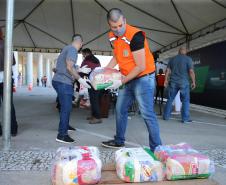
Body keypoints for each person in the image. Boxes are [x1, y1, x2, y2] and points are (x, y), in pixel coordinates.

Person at [101, 8, 162, 152]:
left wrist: (121, 81)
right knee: (120, 109)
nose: (117, 30)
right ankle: (119, 141)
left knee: (147, 113)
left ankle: (157, 149)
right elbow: (117, 56)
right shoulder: (111, 36)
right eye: (114, 27)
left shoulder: (136, 36)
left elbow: (140, 66)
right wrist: (106, 71)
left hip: (143, 78)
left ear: (125, 21)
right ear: (109, 25)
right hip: (128, 77)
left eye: (120, 26)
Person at [52, 34, 91, 143]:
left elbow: (67, 66)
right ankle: (62, 135)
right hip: (64, 82)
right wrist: (80, 79)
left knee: (65, 106)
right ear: (81, 43)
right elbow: (69, 67)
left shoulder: (67, 48)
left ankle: (66, 125)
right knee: (66, 108)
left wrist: (80, 69)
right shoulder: (73, 50)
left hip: (58, 80)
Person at [163, 46, 196, 123]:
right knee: (185, 100)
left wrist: (165, 80)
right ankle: (185, 119)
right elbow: (191, 71)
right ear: (185, 51)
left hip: (173, 82)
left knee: (170, 99)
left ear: (179, 51)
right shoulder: (188, 59)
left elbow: (167, 70)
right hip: (184, 82)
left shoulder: (172, 59)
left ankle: (166, 116)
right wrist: (193, 82)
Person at [0, 27, 18, 137]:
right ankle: (13, 129)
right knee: (9, 105)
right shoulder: (5, 44)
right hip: (6, 78)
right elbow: (13, 61)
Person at [80, 48, 102, 124]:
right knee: (94, 100)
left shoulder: (86, 60)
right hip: (98, 81)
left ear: (86, 53)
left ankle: (97, 117)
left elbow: (82, 71)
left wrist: (78, 75)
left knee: (94, 100)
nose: (83, 56)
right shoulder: (96, 60)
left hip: (92, 82)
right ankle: (94, 115)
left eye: (83, 54)